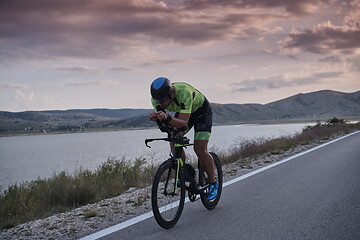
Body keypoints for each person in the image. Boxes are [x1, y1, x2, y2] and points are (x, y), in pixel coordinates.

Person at [149, 77, 218, 200]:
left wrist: (167, 118)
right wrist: (158, 120)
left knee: (200, 149)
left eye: (163, 99)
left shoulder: (184, 92)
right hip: (184, 113)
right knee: (172, 137)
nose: (160, 103)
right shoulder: (156, 100)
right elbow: (166, 127)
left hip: (202, 113)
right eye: (157, 100)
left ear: (170, 94)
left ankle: (213, 183)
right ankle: (184, 173)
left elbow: (183, 124)